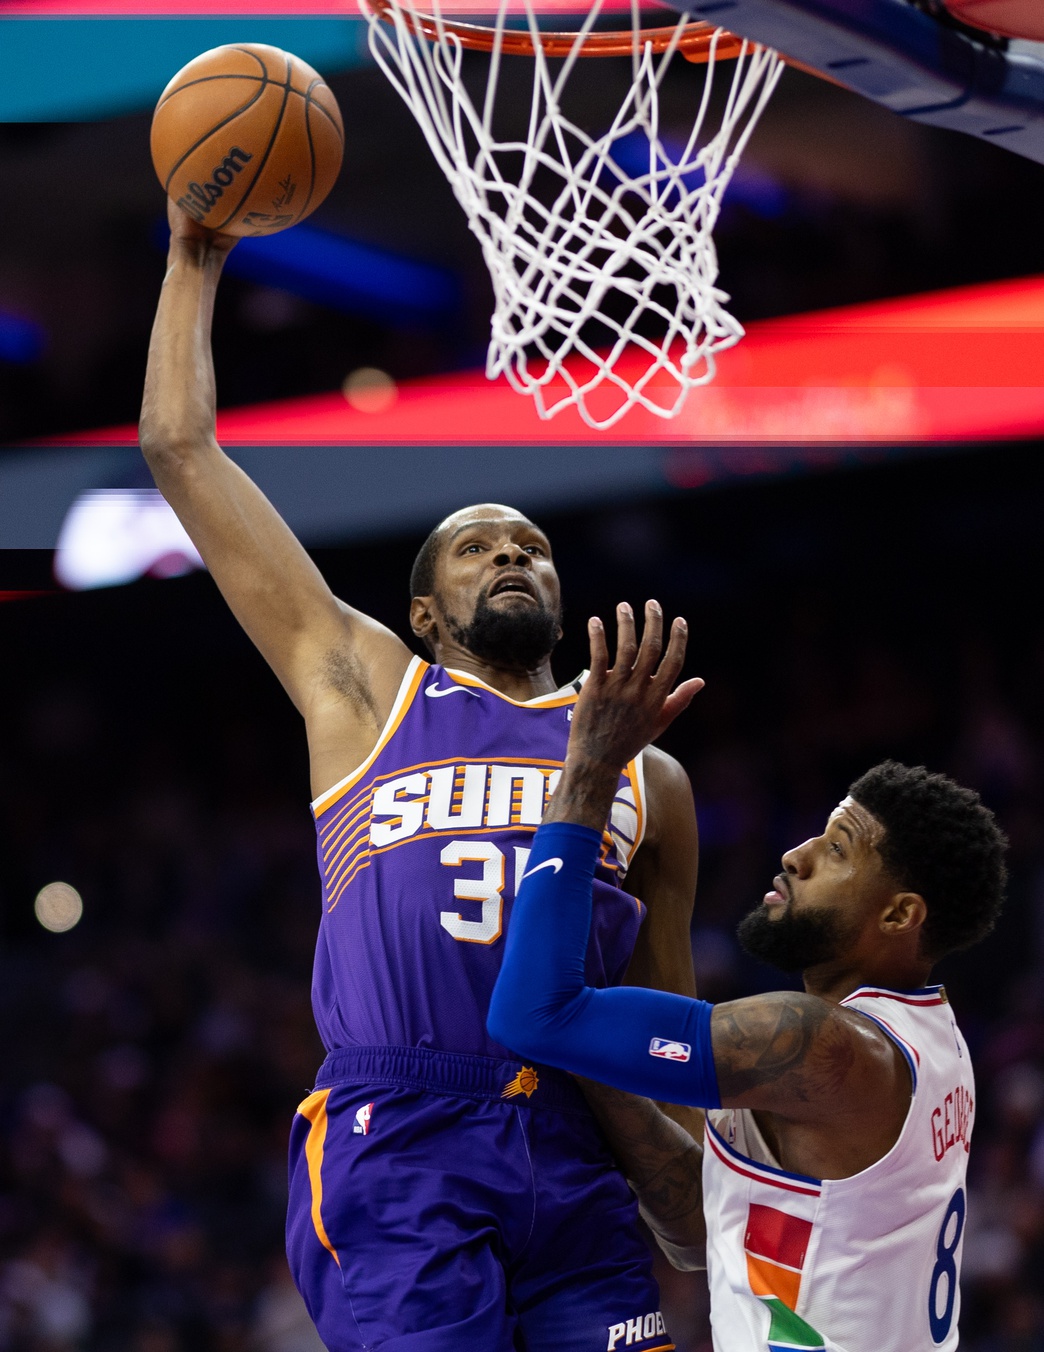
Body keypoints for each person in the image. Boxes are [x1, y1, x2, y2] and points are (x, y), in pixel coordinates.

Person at [138, 201, 701, 1352]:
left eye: (532, 544)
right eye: (477, 546)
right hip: (404, 1134)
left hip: (578, 1157)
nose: (510, 552)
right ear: (423, 612)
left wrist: (694, 1180)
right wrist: (194, 255)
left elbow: (666, 1028)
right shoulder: (366, 689)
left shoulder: (652, 774)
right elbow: (179, 452)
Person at [489, 600, 1008, 1352]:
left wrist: (592, 769)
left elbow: (529, 1015)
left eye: (839, 850)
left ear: (899, 916)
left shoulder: (818, 1044)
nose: (797, 853)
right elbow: (708, 1229)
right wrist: (593, 1065)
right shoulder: (929, 1040)